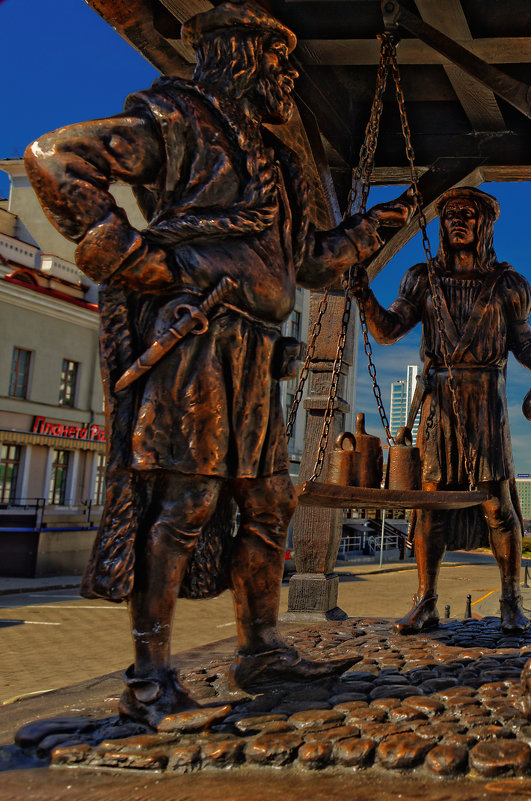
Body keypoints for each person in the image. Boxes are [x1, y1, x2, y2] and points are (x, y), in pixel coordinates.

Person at [23, 1, 415, 725]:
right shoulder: (176, 124)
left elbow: (310, 266)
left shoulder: (270, 159)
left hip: (254, 355)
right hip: (195, 343)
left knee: (268, 504)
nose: (287, 76)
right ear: (240, 57)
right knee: (185, 503)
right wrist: (139, 262)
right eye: (276, 62)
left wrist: (372, 230)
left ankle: (260, 647)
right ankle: (148, 678)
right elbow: (55, 159)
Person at [351, 186, 531, 634]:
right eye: (450, 215)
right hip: (439, 403)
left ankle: (510, 601)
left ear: (485, 225)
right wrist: (365, 299)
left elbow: (522, 340)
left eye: (469, 214)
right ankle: (425, 600)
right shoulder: (421, 278)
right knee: (431, 506)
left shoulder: (509, 285)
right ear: (441, 226)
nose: (459, 221)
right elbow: (389, 329)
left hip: (486, 401)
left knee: (497, 504)